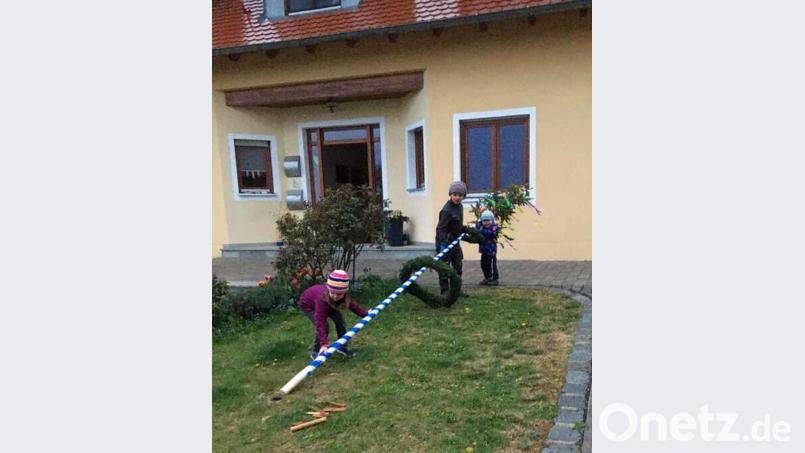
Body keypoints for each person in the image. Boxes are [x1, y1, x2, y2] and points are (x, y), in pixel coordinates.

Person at [298, 270, 368, 359]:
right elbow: (320, 322)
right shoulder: (322, 299)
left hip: (329, 304)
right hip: (308, 304)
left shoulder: (342, 296)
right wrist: (324, 344)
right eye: (333, 293)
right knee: (325, 326)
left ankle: (342, 346)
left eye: (339, 295)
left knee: (340, 322)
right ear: (329, 290)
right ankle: (316, 350)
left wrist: (365, 314)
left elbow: (353, 306)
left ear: (344, 293)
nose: (335, 296)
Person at [435, 181, 467, 296]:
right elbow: (441, 229)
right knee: (444, 267)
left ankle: (456, 289)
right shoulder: (446, 210)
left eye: (460, 195)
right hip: (445, 242)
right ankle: (445, 290)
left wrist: (464, 229)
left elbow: (457, 224)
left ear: (463, 196)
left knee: (458, 265)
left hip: (455, 241)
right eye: (455, 194)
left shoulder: (460, 207)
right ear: (450, 194)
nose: (457, 197)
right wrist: (442, 245)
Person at [476, 209, 500, 286]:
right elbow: (478, 225)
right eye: (484, 220)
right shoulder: (481, 227)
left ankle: (494, 279)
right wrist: (478, 223)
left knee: (492, 265)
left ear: (492, 220)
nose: (486, 222)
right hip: (484, 251)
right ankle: (487, 277)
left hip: (491, 251)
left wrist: (480, 230)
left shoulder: (494, 228)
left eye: (488, 220)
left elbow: (490, 234)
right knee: (484, 264)